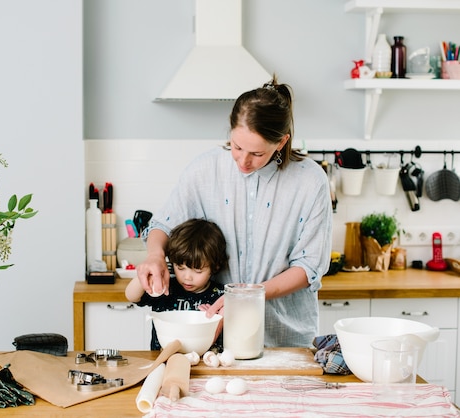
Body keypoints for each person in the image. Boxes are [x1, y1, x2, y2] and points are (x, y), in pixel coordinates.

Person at [136, 76, 332, 348]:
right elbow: (164, 225)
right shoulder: (206, 169)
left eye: (257, 153)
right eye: (237, 147)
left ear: (282, 142)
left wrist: (247, 297)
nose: (243, 160)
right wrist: (155, 254)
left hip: (283, 338)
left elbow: (309, 266)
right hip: (216, 339)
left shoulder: (311, 181)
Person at [125, 218, 228, 350]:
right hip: (163, 362)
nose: (187, 277)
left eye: (198, 271)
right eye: (180, 268)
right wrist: (144, 278)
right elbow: (131, 296)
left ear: (215, 267)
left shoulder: (219, 296)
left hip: (205, 363)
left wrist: (214, 319)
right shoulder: (166, 287)